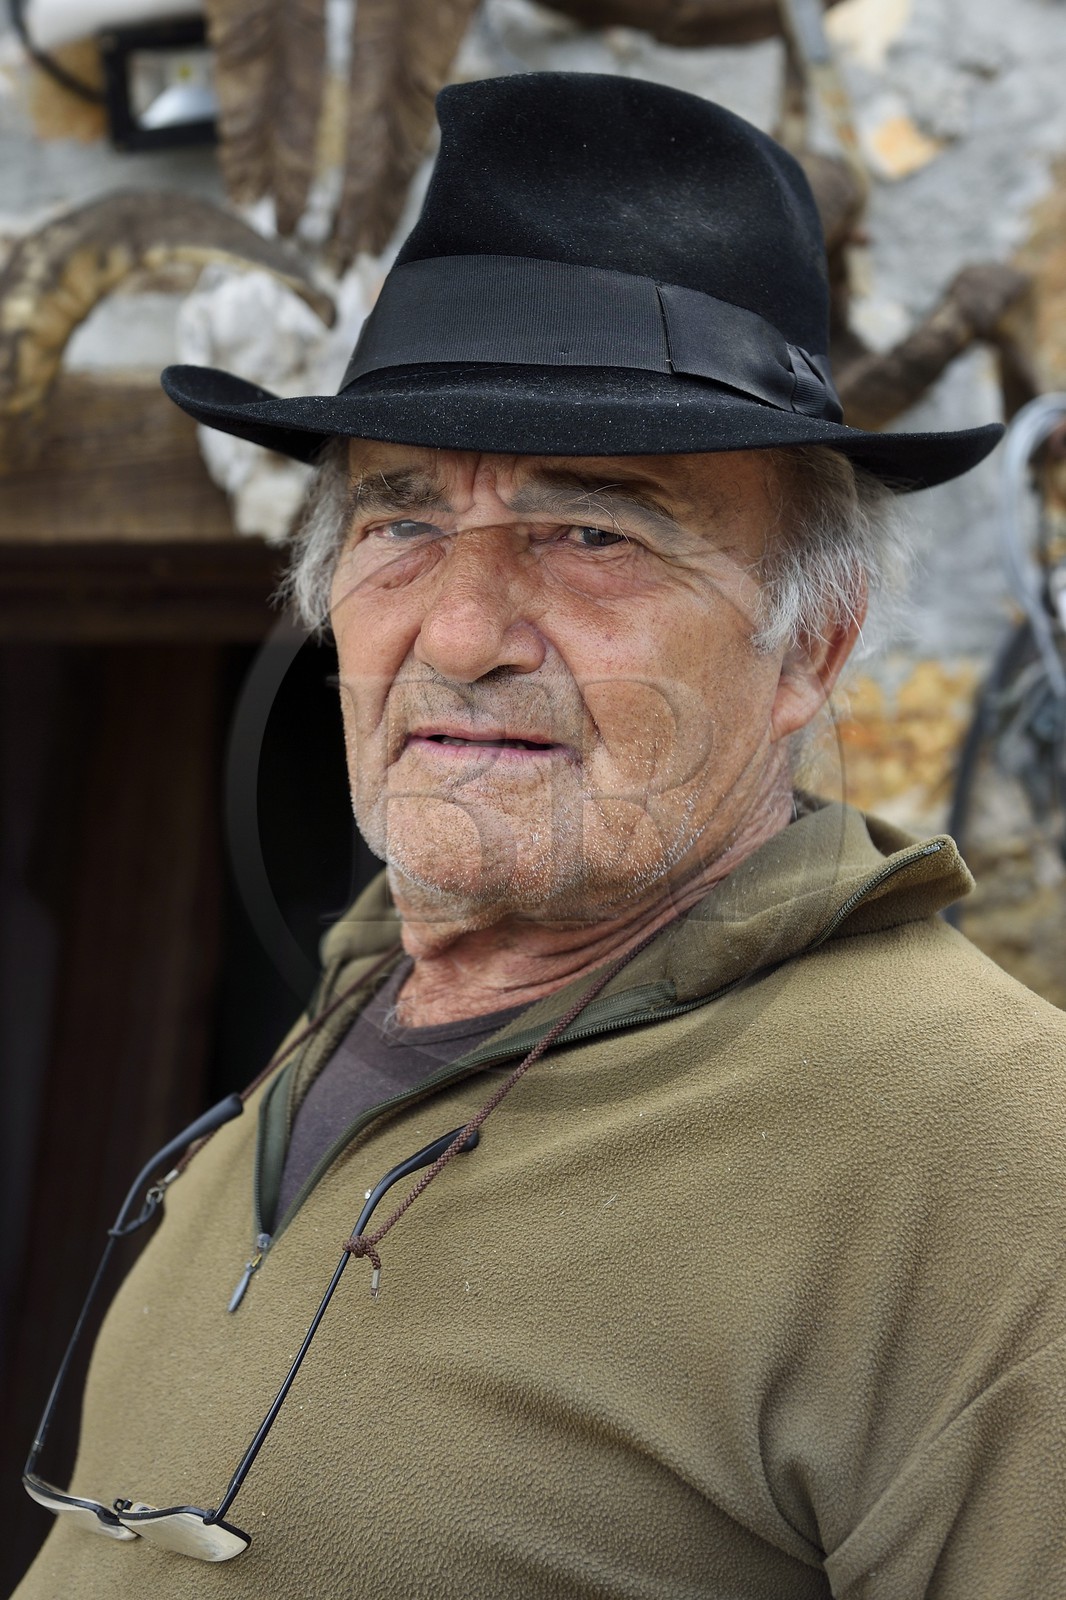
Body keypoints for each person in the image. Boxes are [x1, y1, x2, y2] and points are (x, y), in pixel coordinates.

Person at [16, 72, 1066, 1600]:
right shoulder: (351, 1020)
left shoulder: (992, 1161)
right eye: (400, 522)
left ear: (810, 650)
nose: (458, 630)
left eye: (594, 532)